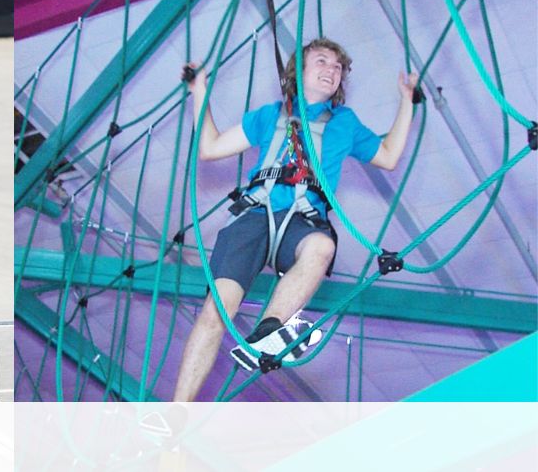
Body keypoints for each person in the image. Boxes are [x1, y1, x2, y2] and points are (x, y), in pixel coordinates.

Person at [173, 38, 418, 401]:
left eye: (337, 68)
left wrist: (406, 102)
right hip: (254, 214)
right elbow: (210, 147)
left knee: (321, 246)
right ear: (298, 72)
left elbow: (388, 155)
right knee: (216, 309)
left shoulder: (344, 123)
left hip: (303, 220)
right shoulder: (269, 114)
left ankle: (270, 329)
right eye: (322, 61)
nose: (331, 71)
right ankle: (178, 410)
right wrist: (200, 92)